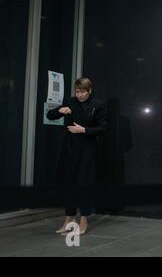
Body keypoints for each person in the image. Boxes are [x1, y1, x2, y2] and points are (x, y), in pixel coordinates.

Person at [47, 77, 107, 235]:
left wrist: (84, 130)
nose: (79, 95)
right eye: (77, 91)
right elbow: (50, 115)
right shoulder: (70, 101)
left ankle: (83, 221)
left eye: (83, 92)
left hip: (87, 150)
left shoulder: (98, 105)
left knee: (84, 184)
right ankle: (69, 219)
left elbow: (103, 129)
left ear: (90, 91)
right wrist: (59, 111)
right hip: (70, 148)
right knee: (69, 184)